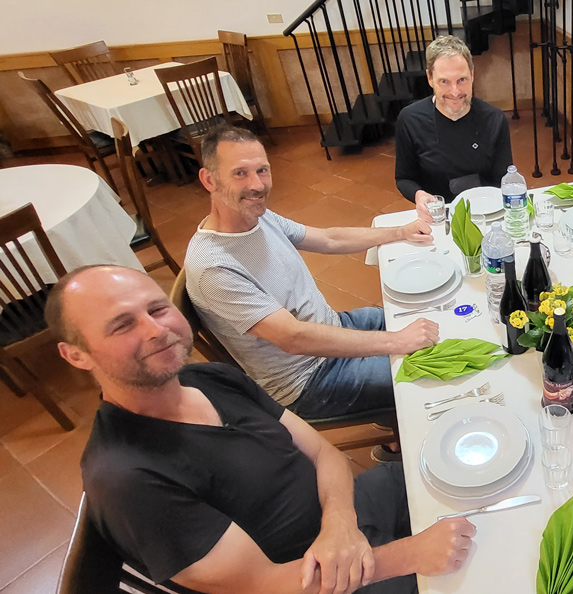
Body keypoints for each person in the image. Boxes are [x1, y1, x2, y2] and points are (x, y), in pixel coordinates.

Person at [46, 265, 475, 594]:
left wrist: (340, 524)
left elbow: (324, 454)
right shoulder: (127, 479)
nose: (156, 330)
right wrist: (411, 555)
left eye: (158, 308)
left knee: (470, 475)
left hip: (344, 519)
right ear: (76, 355)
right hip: (317, 582)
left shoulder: (208, 378)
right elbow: (264, 584)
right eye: (122, 325)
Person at [185, 125, 438, 440]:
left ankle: (394, 419)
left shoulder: (257, 216)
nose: (257, 184)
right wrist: (397, 342)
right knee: (433, 369)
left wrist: (400, 231)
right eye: (240, 173)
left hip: (332, 329)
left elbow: (329, 239)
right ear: (209, 180)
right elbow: (293, 338)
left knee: (433, 320)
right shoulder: (214, 266)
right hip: (308, 381)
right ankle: (409, 443)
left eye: (262, 170)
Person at [395, 35, 513, 223]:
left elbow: (503, 179)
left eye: (462, 80)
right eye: (444, 82)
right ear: (430, 78)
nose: (455, 91)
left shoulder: (494, 119)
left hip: (489, 214)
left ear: (473, 75)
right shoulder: (410, 119)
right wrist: (419, 195)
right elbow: (404, 179)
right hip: (438, 217)